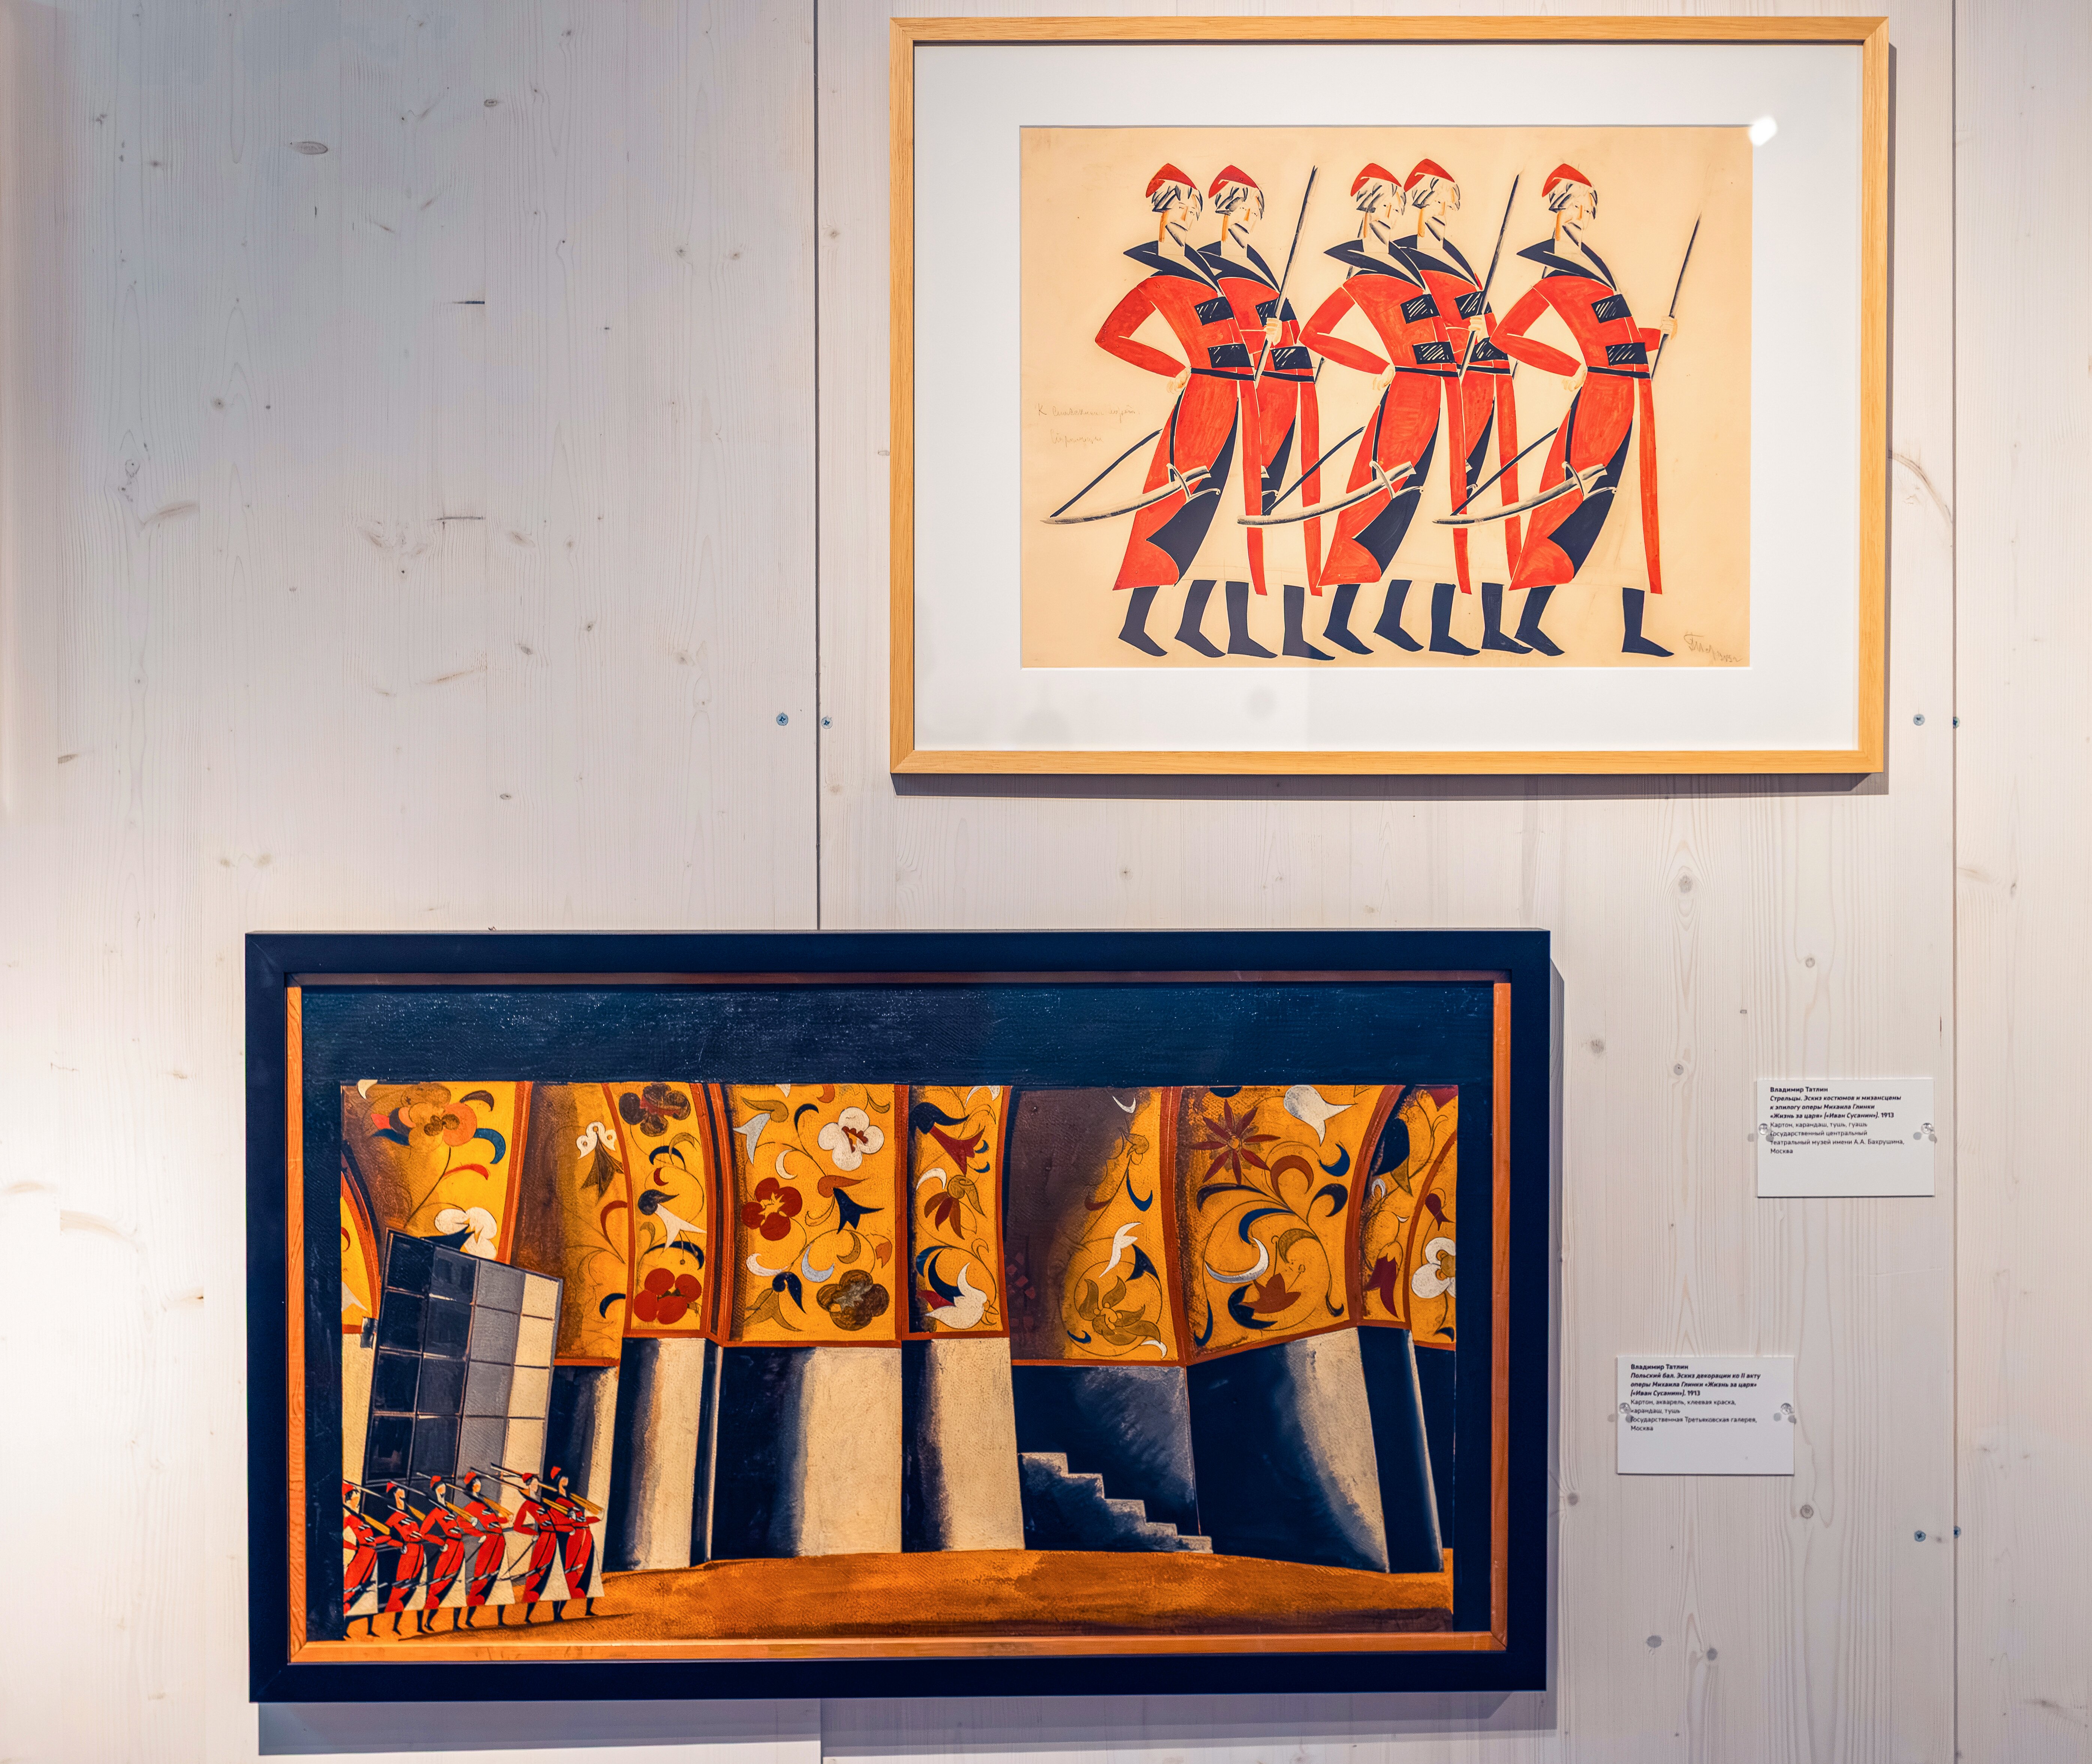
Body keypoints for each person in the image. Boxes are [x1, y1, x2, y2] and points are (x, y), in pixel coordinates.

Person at [1488, 163, 1677, 656]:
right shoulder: (1554, 276)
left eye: (1590, 205)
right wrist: (1567, 364)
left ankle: (1632, 635)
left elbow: (1616, 340)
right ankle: (1528, 624)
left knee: (1627, 513)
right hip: (1597, 406)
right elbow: (1504, 335)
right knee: (1569, 511)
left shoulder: (1597, 268)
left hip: (1628, 397)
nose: (1586, 213)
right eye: (1577, 203)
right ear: (1557, 206)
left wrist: (1655, 335)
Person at [1093, 164, 1269, 658]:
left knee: (1229, 516)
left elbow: (1227, 338)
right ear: (1162, 208)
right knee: (1172, 511)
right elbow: (1111, 336)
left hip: (1240, 402)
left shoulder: (1207, 273)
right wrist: (1170, 366)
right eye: (1181, 205)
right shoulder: (1160, 279)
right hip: (1203, 404)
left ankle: (1209, 629)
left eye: (1193, 206)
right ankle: (1134, 624)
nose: (1189, 214)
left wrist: (1265, 338)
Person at [1300, 164, 1474, 656]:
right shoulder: (1363, 270)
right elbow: (1314, 333)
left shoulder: (1410, 266)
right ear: (1366, 205)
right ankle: (1337, 622)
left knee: (1429, 511)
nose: (1394, 212)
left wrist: (1469, 333)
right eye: (1385, 203)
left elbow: (1433, 330)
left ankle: (1396, 621)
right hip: (1405, 402)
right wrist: (1376, 363)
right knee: (1375, 506)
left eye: (1397, 204)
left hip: (1441, 397)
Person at [1397, 159, 1531, 653]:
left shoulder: (1457, 258)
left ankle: (1490, 629)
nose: (1445, 208)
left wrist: (1489, 334)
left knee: (1486, 507)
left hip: (1484, 387)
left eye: (1449, 200)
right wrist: (1460, 337)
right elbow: (1413, 326)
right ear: (1419, 197)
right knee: (1443, 511)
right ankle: (1422, 626)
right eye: (1438, 197)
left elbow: (1483, 319)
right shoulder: (1405, 258)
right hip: (1447, 394)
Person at [1200, 165, 1326, 658]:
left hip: (1283, 401)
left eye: (1256, 208)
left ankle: (1290, 635)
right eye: (1244, 206)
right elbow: (1212, 334)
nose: (1251, 216)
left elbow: (1290, 334)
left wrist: (1288, 342)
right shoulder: (1207, 266)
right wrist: (1260, 337)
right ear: (1224, 207)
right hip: (1242, 405)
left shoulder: (1264, 269)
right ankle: (1219, 630)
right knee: (1235, 522)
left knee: (1280, 519)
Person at [455, 1471, 511, 1628]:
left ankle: (500, 1620)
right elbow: (461, 1521)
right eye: (476, 1483)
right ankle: (467, 1619)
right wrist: (480, 1534)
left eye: (479, 1483)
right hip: (489, 1542)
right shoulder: (472, 1506)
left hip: (499, 1542)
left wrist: (506, 1519)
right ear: (472, 1486)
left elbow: (494, 1520)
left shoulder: (485, 1503)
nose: (479, 1485)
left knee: (498, 1578)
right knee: (481, 1578)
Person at [416, 1478, 471, 1634]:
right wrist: (440, 1542)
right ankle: (425, 1623)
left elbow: (459, 1525)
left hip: (459, 1549)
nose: (443, 1489)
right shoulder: (436, 1512)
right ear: (435, 1490)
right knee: (438, 1586)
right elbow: (423, 1533)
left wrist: (470, 1525)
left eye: (444, 1486)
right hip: (449, 1549)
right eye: (440, 1487)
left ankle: (455, 1624)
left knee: (458, 1585)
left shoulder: (450, 1508)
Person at [341, 1481, 383, 1638]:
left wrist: (388, 1539)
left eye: (358, 1499)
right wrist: (353, 1547)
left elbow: (372, 1539)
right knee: (351, 1591)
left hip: (372, 1556)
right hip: (362, 1556)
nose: (357, 1502)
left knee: (371, 1592)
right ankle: (343, 1629)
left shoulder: (363, 1518)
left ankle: (369, 1629)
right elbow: (337, 1537)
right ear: (348, 1500)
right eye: (354, 1499)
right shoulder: (349, 1519)